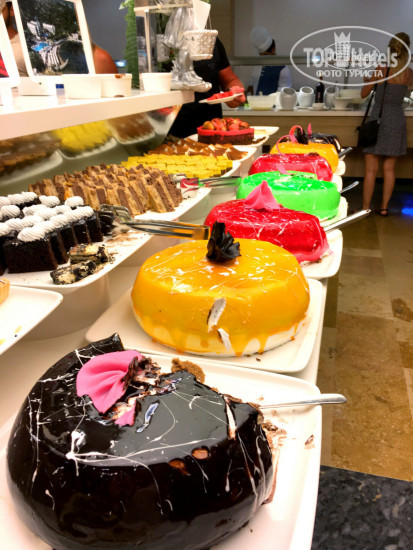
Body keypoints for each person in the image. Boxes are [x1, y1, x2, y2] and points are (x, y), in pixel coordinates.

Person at [360, 32, 413, 216]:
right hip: (396, 120)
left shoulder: (382, 69)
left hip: (379, 120)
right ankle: (384, 208)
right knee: (389, 169)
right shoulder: (408, 73)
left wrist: (369, 82)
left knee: (371, 170)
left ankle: (365, 208)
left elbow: (363, 94)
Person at [169, 37, 246, 138]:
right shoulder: (163, 42)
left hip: (213, 133)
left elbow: (230, 80)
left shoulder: (210, 40)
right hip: (169, 134)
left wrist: (233, 92)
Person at [246, 26, 292, 96]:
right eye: (261, 56)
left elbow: (283, 93)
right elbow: (252, 82)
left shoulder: (283, 69)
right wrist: (249, 89)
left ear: (273, 49)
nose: (264, 58)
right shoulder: (258, 65)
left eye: (266, 54)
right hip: (256, 102)